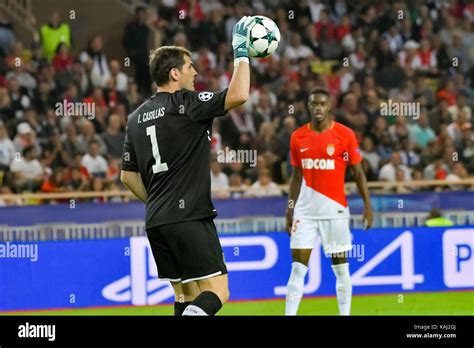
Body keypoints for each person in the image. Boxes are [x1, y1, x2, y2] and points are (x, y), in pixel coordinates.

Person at [120, 16, 255, 316]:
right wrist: (242, 52)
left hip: (157, 220)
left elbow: (127, 176)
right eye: (190, 66)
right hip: (189, 216)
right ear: (174, 73)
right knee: (218, 291)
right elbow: (239, 95)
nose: (195, 72)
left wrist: (156, 199)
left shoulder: (134, 119)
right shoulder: (187, 103)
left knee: (185, 294)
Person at [285, 88, 373, 316]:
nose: (318, 108)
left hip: (335, 210)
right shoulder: (298, 137)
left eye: (322, 104)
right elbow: (296, 176)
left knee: (341, 269)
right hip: (304, 211)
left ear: (330, 107)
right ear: (308, 106)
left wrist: (368, 206)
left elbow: (358, 173)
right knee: (297, 268)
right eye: (314, 104)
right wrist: (290, 209)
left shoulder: (345, 135)